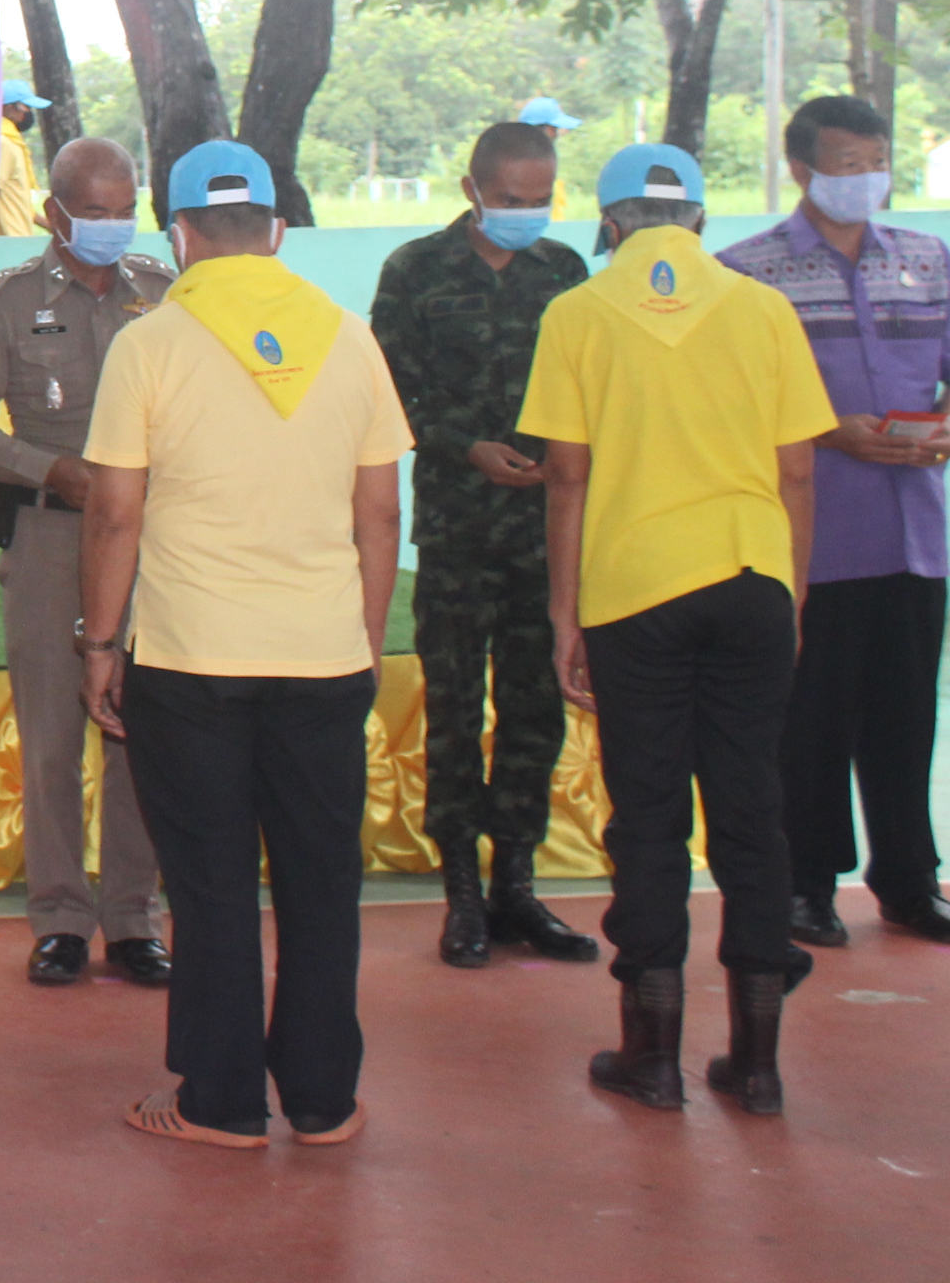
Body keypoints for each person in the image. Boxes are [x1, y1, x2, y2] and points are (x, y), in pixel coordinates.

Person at [81, 139, 407, 1151]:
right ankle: (323, 1099)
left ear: (178, 234)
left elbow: (116, 515)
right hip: (323, 655)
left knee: (213, 885)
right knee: (321, 883)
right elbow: (380, 514)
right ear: (275, 227)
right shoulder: (350, 339)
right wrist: (359, 635)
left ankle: (218, 1102)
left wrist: (101, 643)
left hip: (191, 659)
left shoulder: (149, 345)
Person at [523, 143, 830, 1114]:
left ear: (609, 220)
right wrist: (793, 593)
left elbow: (565, 477)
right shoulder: (763, 307)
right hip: (749, 577)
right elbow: (798, 473)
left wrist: (565, 613)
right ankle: (760, 1064)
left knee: (647, 812)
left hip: (633, 590)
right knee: (750, 805)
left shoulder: (575, 314)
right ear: (698, 216)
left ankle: (650, 1057)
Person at [715, 94, 950, 947]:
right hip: (807, 542)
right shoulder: (746, 271)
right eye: (848, 166)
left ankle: (908, 882)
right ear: (804, 169)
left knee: (906, 716)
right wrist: (826, 430)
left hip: (915, 538)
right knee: (805, 723)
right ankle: (807, 886)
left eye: (877, 163)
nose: (867, 180)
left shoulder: (930, 258)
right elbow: (731, 404)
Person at [0, 135, 172, 988]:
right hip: (48, 539)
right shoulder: (6, 301)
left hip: (149, 541)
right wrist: (51, 470)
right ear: (54, 213)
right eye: (95, 213)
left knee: (137, 734)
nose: (112, 228)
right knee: (50, 738)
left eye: (124, 212)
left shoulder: (164, 292)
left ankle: (133, 919)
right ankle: (62, 920)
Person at [367, 120, 598, 969]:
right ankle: (462, 888)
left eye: (540, 201)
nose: (525, 215)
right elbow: (393, 387)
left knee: (536, 709)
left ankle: (519, 887)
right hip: (459, 530)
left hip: (550, 534)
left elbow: (588, 387)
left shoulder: (565, 273)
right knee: (458, 710)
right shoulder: (416, 272)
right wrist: (469, 446)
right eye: (509, 201)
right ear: (472, 190)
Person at [0, 80, 49, 238]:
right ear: (8, 107)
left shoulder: (10, 142)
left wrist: (47, 225)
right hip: (6, 238)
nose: (27, 114)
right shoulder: (2, 143)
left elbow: (15, 198)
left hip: (17, 236)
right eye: (25, 107)